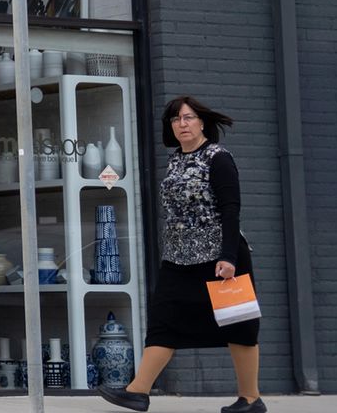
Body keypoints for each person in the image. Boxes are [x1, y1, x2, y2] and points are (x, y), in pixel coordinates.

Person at [100, 96, 262, 413]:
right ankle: (137, 391)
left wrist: (228, 257)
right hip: (178, 258)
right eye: (176, 119)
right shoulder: (176, 160)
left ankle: (251, 399)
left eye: (188, 118)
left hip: (221, 257)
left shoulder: (219, 158)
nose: (182, 124)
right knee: (163, 321)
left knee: (239, 326)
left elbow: (231, 210)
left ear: (202, 122)